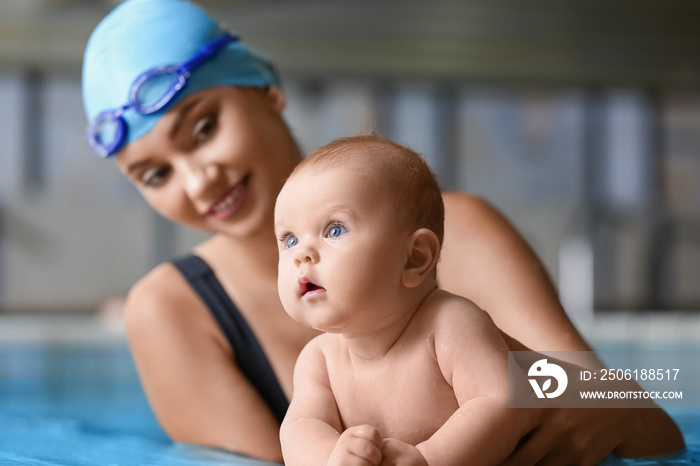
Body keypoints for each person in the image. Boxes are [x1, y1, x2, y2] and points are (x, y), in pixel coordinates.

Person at [81, 0, 684, 463]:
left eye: (204, 127)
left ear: (266, 88)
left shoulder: (460, 233)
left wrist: (573, 398)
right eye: (155, 173)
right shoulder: (173, 312)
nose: (197, 181)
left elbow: (641, 424)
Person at [276, 135, 527, 465]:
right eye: (289, 239)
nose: (301, 255)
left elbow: (502, 401)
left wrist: (429, 459)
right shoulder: (319, 359)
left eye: (334, 230)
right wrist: (331, 458)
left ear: (414, 258)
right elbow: (300, 428)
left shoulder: (449, 323)